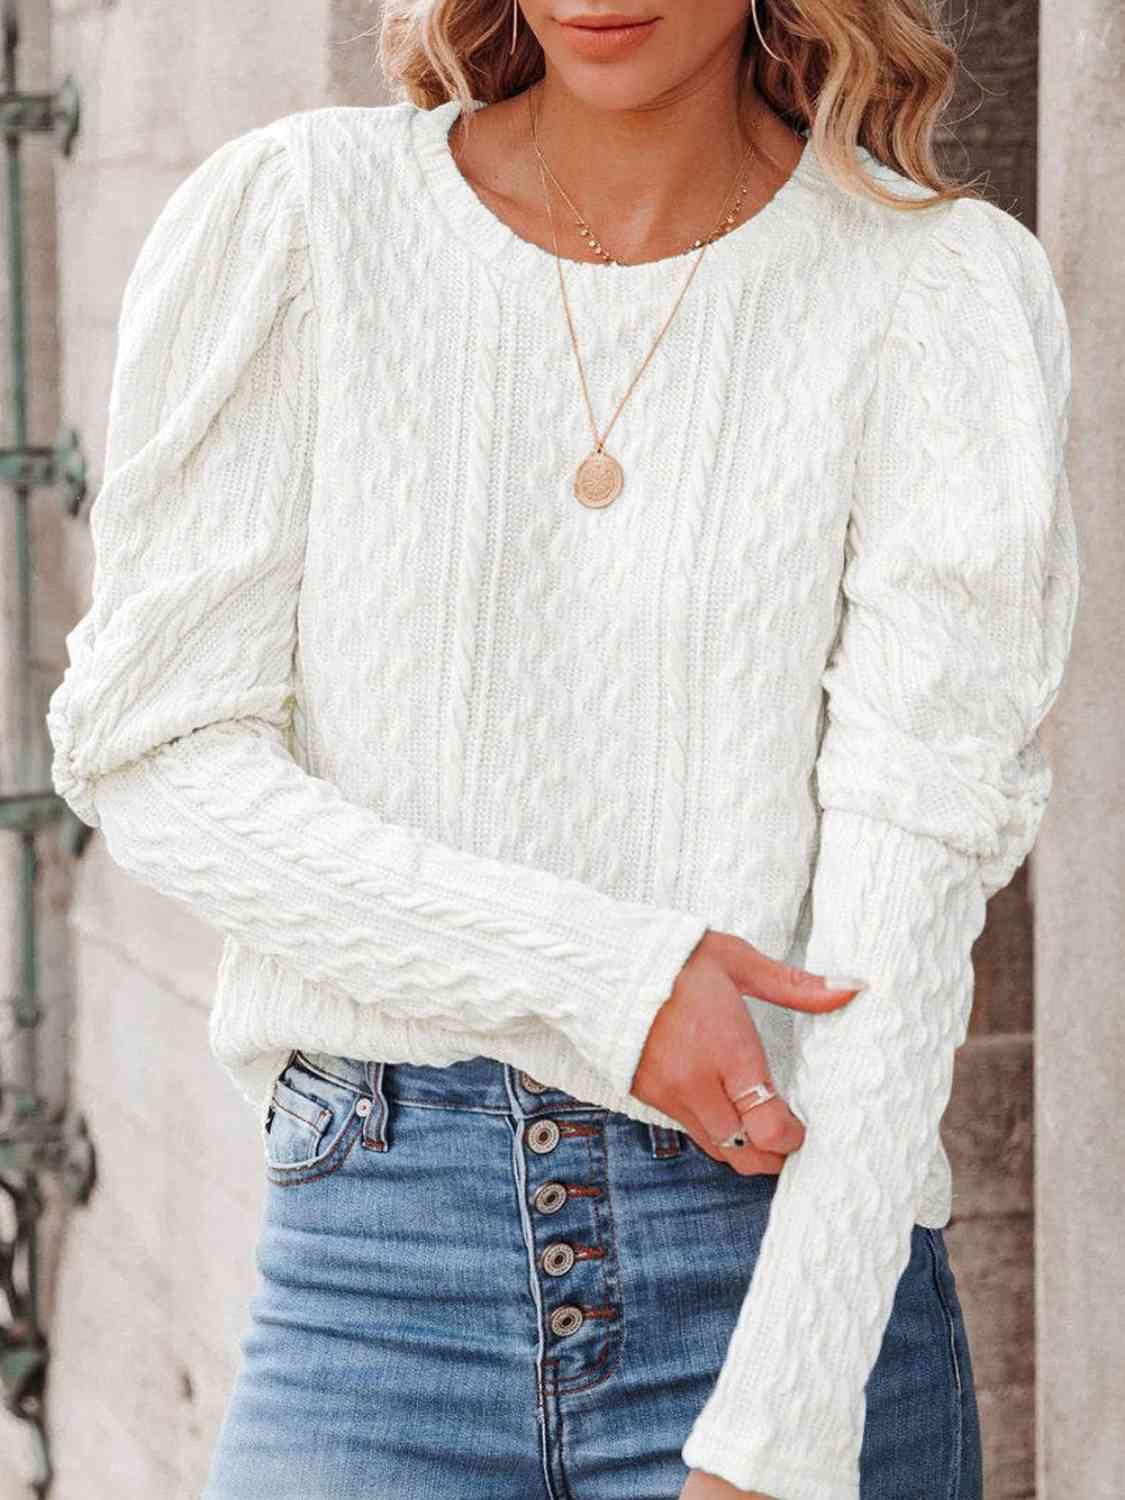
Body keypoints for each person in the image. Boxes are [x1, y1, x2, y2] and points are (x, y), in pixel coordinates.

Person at [46, 0, 1080, 1497]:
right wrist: (605, 978)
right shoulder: (303, 220)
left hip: (777, 1261)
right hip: (378, 1279)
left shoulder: (931, 287)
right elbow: (153, 749)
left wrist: (783, 1427)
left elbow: (906, 903)